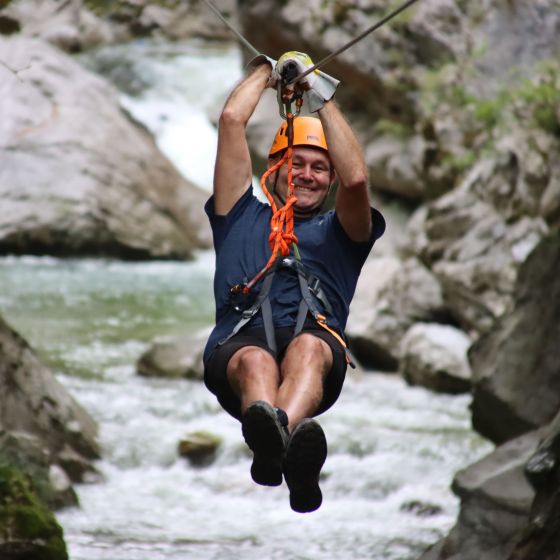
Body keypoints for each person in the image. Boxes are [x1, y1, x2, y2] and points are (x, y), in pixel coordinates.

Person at [202, 53, 385, 513]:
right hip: (239, 341)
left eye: (319, 168)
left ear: (328, 183)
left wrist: (320, 95)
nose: (306, 174)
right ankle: (283, 448)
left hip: (314, 342)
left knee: (308, 349)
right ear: (275, 169)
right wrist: (266, 71)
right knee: (255, 361)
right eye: (296, 163)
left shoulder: (342, 234)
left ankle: (272, 441)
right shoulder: (238, 215)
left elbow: (357, 178)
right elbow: (230, 121)